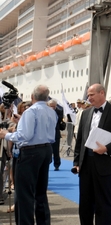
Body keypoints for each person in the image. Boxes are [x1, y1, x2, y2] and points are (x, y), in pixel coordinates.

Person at [73, 83, 111, 225]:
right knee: (85, 203)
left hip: (105, 164)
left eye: (91, 95)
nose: (88, 98)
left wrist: (107, 148)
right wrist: (76, 162)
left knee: (104, 203)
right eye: (88, 95)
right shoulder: (86, 113)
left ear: (102, 93)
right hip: (86, 164)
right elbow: (80, 139)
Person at [0, 85, 56, 225]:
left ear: (32, 97)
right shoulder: (51, 111)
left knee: (25, 194)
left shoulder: (31, 111)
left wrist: (6, 135)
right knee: (40, 191)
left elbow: (25, 135)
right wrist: (22, 122)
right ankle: (44, 222)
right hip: (46, 150)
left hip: (30, 152)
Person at [47, 99, 65, 171]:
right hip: (47, 134)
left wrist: (53, 112)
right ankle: (48, 162)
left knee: (56, 150)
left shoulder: (59, 111)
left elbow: (60, 119)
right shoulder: (46, 111)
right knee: (48, 150)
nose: (52, 107)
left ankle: (57, 164)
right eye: (51, 106)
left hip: (56, 133)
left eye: (54, 106)